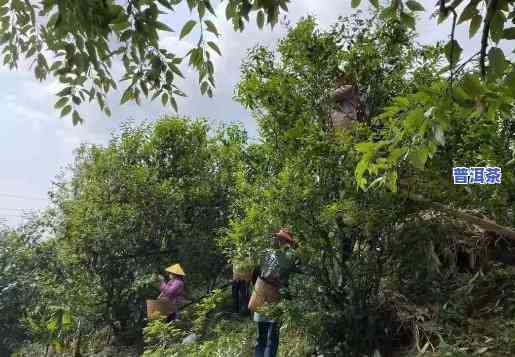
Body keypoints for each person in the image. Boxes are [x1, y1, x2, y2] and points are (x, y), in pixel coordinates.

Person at [253, 228, 298, 357]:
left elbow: (256, 273)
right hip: (275, 298)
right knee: (271, 339)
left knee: (261, 339)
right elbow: (288, 277)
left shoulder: (266, 254)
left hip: (261, 295)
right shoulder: (288, 256)